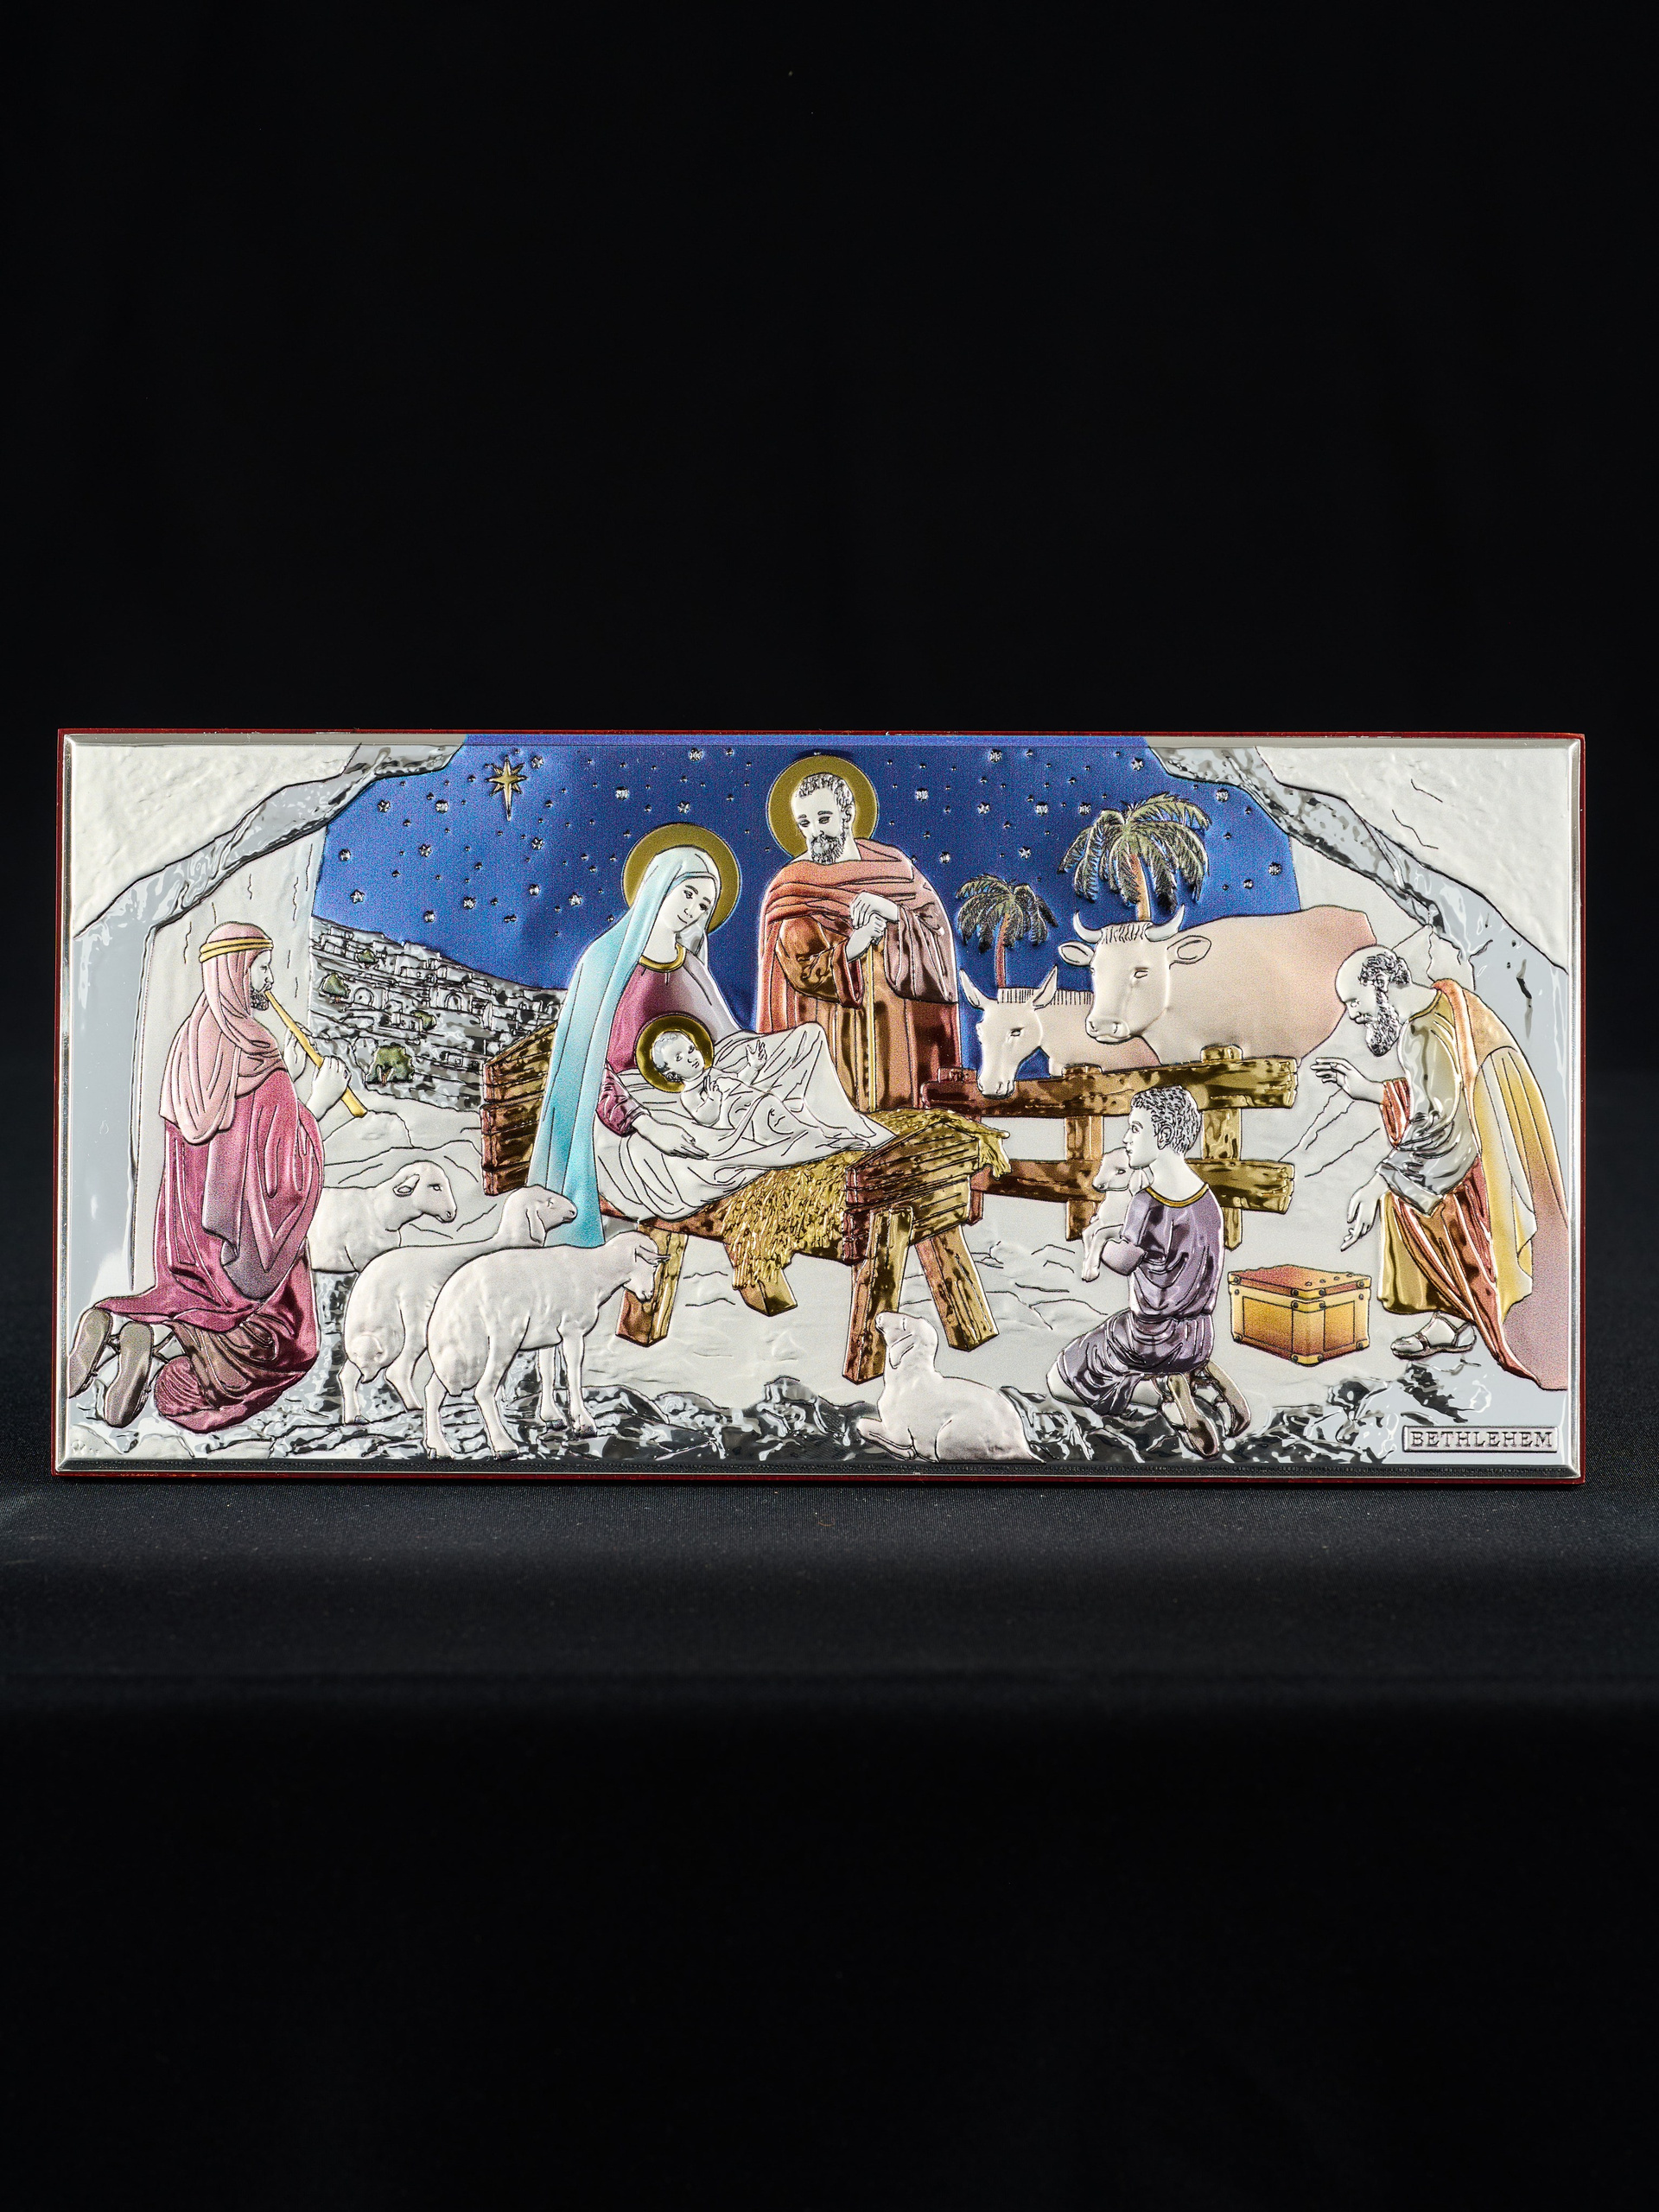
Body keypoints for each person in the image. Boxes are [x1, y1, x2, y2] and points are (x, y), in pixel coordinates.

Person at [63, 921, 352, 1432]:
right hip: (239, 1250)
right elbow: (281, 1173)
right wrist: (320, 1100)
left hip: (186, 1249)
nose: (268, 979)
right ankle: (156, 1348)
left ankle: (133, 1327)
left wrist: (288, 1089)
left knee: (195, 1303)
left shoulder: (190, 1042)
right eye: (261, 968)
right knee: (288, 1344)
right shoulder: (260, 1054)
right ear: (237, 972)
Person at [528, 845, 889, 1243]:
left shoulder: (689, 964)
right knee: (695, 1157)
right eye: (688, 894)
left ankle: (840, 1125)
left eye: (703, 905)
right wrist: (647, 1127)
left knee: (807, 1039)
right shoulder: (605, 963)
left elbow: (725, 1039)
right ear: (659, 886)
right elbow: (588, 1068)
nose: (693, 910)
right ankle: (791, 1137)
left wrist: (753, 1061)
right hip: (630, 1106)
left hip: (697, 1078)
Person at [1313, 945, 1569, 1389]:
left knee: (1403, 1202)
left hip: (1482, 1171)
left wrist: (1376, 1185)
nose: (1353, 1015)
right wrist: (1372, 1090)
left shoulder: (1422, 1033)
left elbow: (1440, 1127)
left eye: (1355, 1001)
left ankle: (1465, 1312)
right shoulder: (1449, 1001)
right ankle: (1451, 1321)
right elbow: (1441, 1094)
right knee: (1404, 1186)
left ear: (1381, 984)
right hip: (1486, 1156)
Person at [1047, 1086, 1249, 1458]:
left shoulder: (1147, 1203)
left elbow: (1123, 1262)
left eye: (1136, 1128)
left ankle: (1161, 1392)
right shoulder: (1207, 1200)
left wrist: (1095, 1239)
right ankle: (1197, 1374)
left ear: (1164, 1134)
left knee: (1061, 1379)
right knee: (1164, 1356)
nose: (1126, 1138)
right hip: (1199, 1334)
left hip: (1149, 1335)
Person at [756, 768, 960, 1109]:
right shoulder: (791, 885)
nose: (815, 832)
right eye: (805, 823)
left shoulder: (894, 867)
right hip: (830, 1035)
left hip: (898, 1037)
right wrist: (854, 945)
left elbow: (936, 935)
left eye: (824, 819)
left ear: (847, 814)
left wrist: (891, 911)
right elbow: (798, 969)